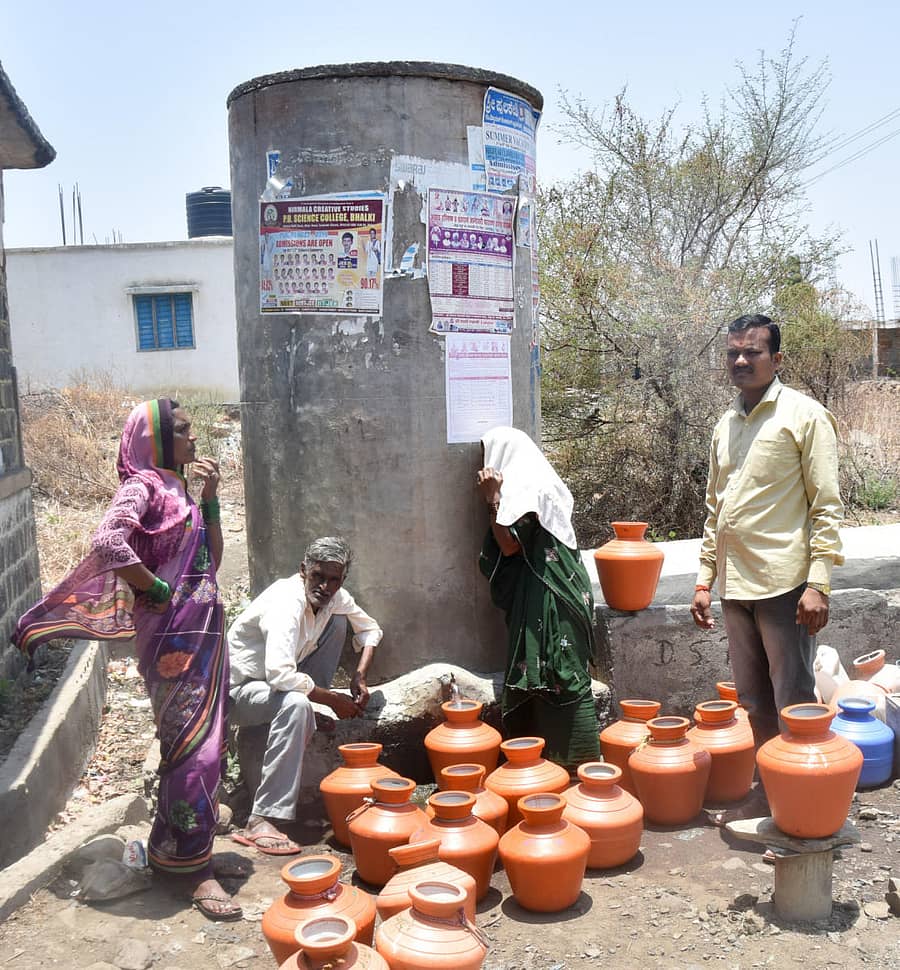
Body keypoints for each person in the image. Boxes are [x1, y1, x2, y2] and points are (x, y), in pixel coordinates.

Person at [14, 400, 240, 920]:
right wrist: (157, 587)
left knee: (206, 744)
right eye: (182, 431)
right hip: (171, 641)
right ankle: (193, 872)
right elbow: (108, 540)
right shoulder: (143, 487)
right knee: (191, 751)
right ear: (155, 438)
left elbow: (211, 562)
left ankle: (181, 851)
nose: (192, 439)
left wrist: (210, 501)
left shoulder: (180, 487)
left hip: (205, 633)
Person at [691, 314, 844, 756]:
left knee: (793, 699)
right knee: (753, 700)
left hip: (785, 584)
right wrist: (704, 579)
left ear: (776, 359)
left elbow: (826, 506)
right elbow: (715, 510)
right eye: (733, 352)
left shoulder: (805, 416)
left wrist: (818, 583)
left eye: (752, 351)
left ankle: (808, 800)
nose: (741, 359)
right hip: (735, 585)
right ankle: (769, 792)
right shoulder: (727, 425)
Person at [227, 536, 381, 853]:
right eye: (318, 577)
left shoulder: (334, 597)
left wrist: (360, 675)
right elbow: (279, 674)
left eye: (333, 580)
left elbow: (370, 630)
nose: (325, 587)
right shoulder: (288, 603)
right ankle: (262, 819)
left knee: (338, 622)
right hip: (236, 693)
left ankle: (311, 710)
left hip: (271, 687)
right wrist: (331, 699)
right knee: (297, 704)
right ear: (303, 571)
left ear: (342, 579)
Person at [476, 427, 600, 769]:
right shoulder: (540, 483)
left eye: (485, 458)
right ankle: (545, 767)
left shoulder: (527, 490)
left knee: (563, 674)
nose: (483, 466)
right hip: (557, 591)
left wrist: (492, 499)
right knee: (547, 673)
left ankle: (580, 768)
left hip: (552, 598)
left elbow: (509, 544)